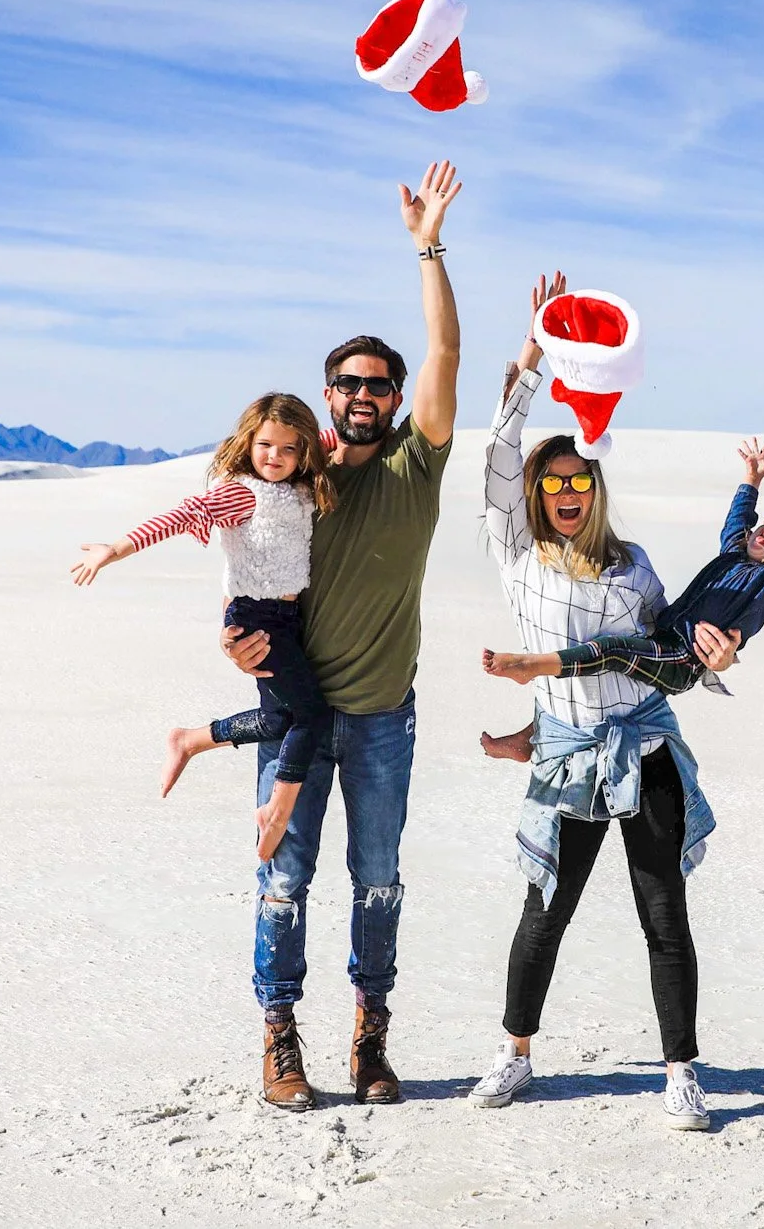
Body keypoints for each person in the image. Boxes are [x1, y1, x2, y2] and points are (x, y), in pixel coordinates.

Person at [466, 273, 739, 1132]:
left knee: (663, 911)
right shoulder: (517, 554)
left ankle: (681, 1071)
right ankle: (514, 1054)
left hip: (645, 751)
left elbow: (668, 659)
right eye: (552, 484)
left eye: (579, 478)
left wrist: (712, 652)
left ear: (597, 486)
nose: (564, 491)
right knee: (546, 909)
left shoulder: (635, 567)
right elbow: (499, 456)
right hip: (567, 756)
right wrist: (535, 354)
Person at [219, 161, 464, 1112]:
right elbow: (241, 567)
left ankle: (370, 1039)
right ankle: (280, 1037)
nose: (364, 392)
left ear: (397, 397)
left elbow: (446, 351)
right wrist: (234, 641)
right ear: (328, 395)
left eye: (380, 382)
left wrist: (428, 248)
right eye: (348, 381)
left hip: (382, 721)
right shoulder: (292, 479)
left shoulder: (416, 463)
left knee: (377, 880)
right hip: (296, 718)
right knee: (282, 881)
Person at [69, 392, 335, 863]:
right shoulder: (240, 491)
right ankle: (276, 810)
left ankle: (190, 739)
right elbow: (182, 515)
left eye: (289, 448)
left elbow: (338, 438)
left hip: (290, 619)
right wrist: (115, 549)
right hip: (256, 619)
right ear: (248, 443)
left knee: (279, 720)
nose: (275, 456)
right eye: (265, 445)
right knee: (312, 715)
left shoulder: (298, 486)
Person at [481, 437, 764, 694]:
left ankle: (532, 665)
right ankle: (535, 731)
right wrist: (750, 481)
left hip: (683, 660)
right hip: (664, 638)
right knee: (606, 665)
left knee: (612, 650)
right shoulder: (733, 553)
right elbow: (736, 520)